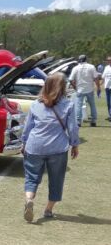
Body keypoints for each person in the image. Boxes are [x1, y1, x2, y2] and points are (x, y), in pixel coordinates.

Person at [21, 73, 80, 222]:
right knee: (56, 179)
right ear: (63, 87)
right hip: (57, 148)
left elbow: (28, 128)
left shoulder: (35, 104)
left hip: (34, 146)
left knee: (31, 178)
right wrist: (74, 144)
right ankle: (48, 210)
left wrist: (24, 142)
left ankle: (29, 200)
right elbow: (72, 128)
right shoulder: (68, 105)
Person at [69, 54, 101, 126]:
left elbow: (71, 79)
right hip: (89, 89)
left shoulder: (76, 68)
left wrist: (75, 87)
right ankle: (93, 121)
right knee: (92, 105)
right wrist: (98, 87)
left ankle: (78, 122)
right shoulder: (91, 67)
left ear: (79, 60)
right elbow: (96, 78)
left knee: (79, 106)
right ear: (86, 59)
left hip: (80, 89)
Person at [102, 56, 111, 121]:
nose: (109, 61)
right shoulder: (106, 67)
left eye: (110, 60)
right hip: (107, 87)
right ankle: (110, 115)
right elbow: (103, 76)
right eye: (108, 60)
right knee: (108, 102)